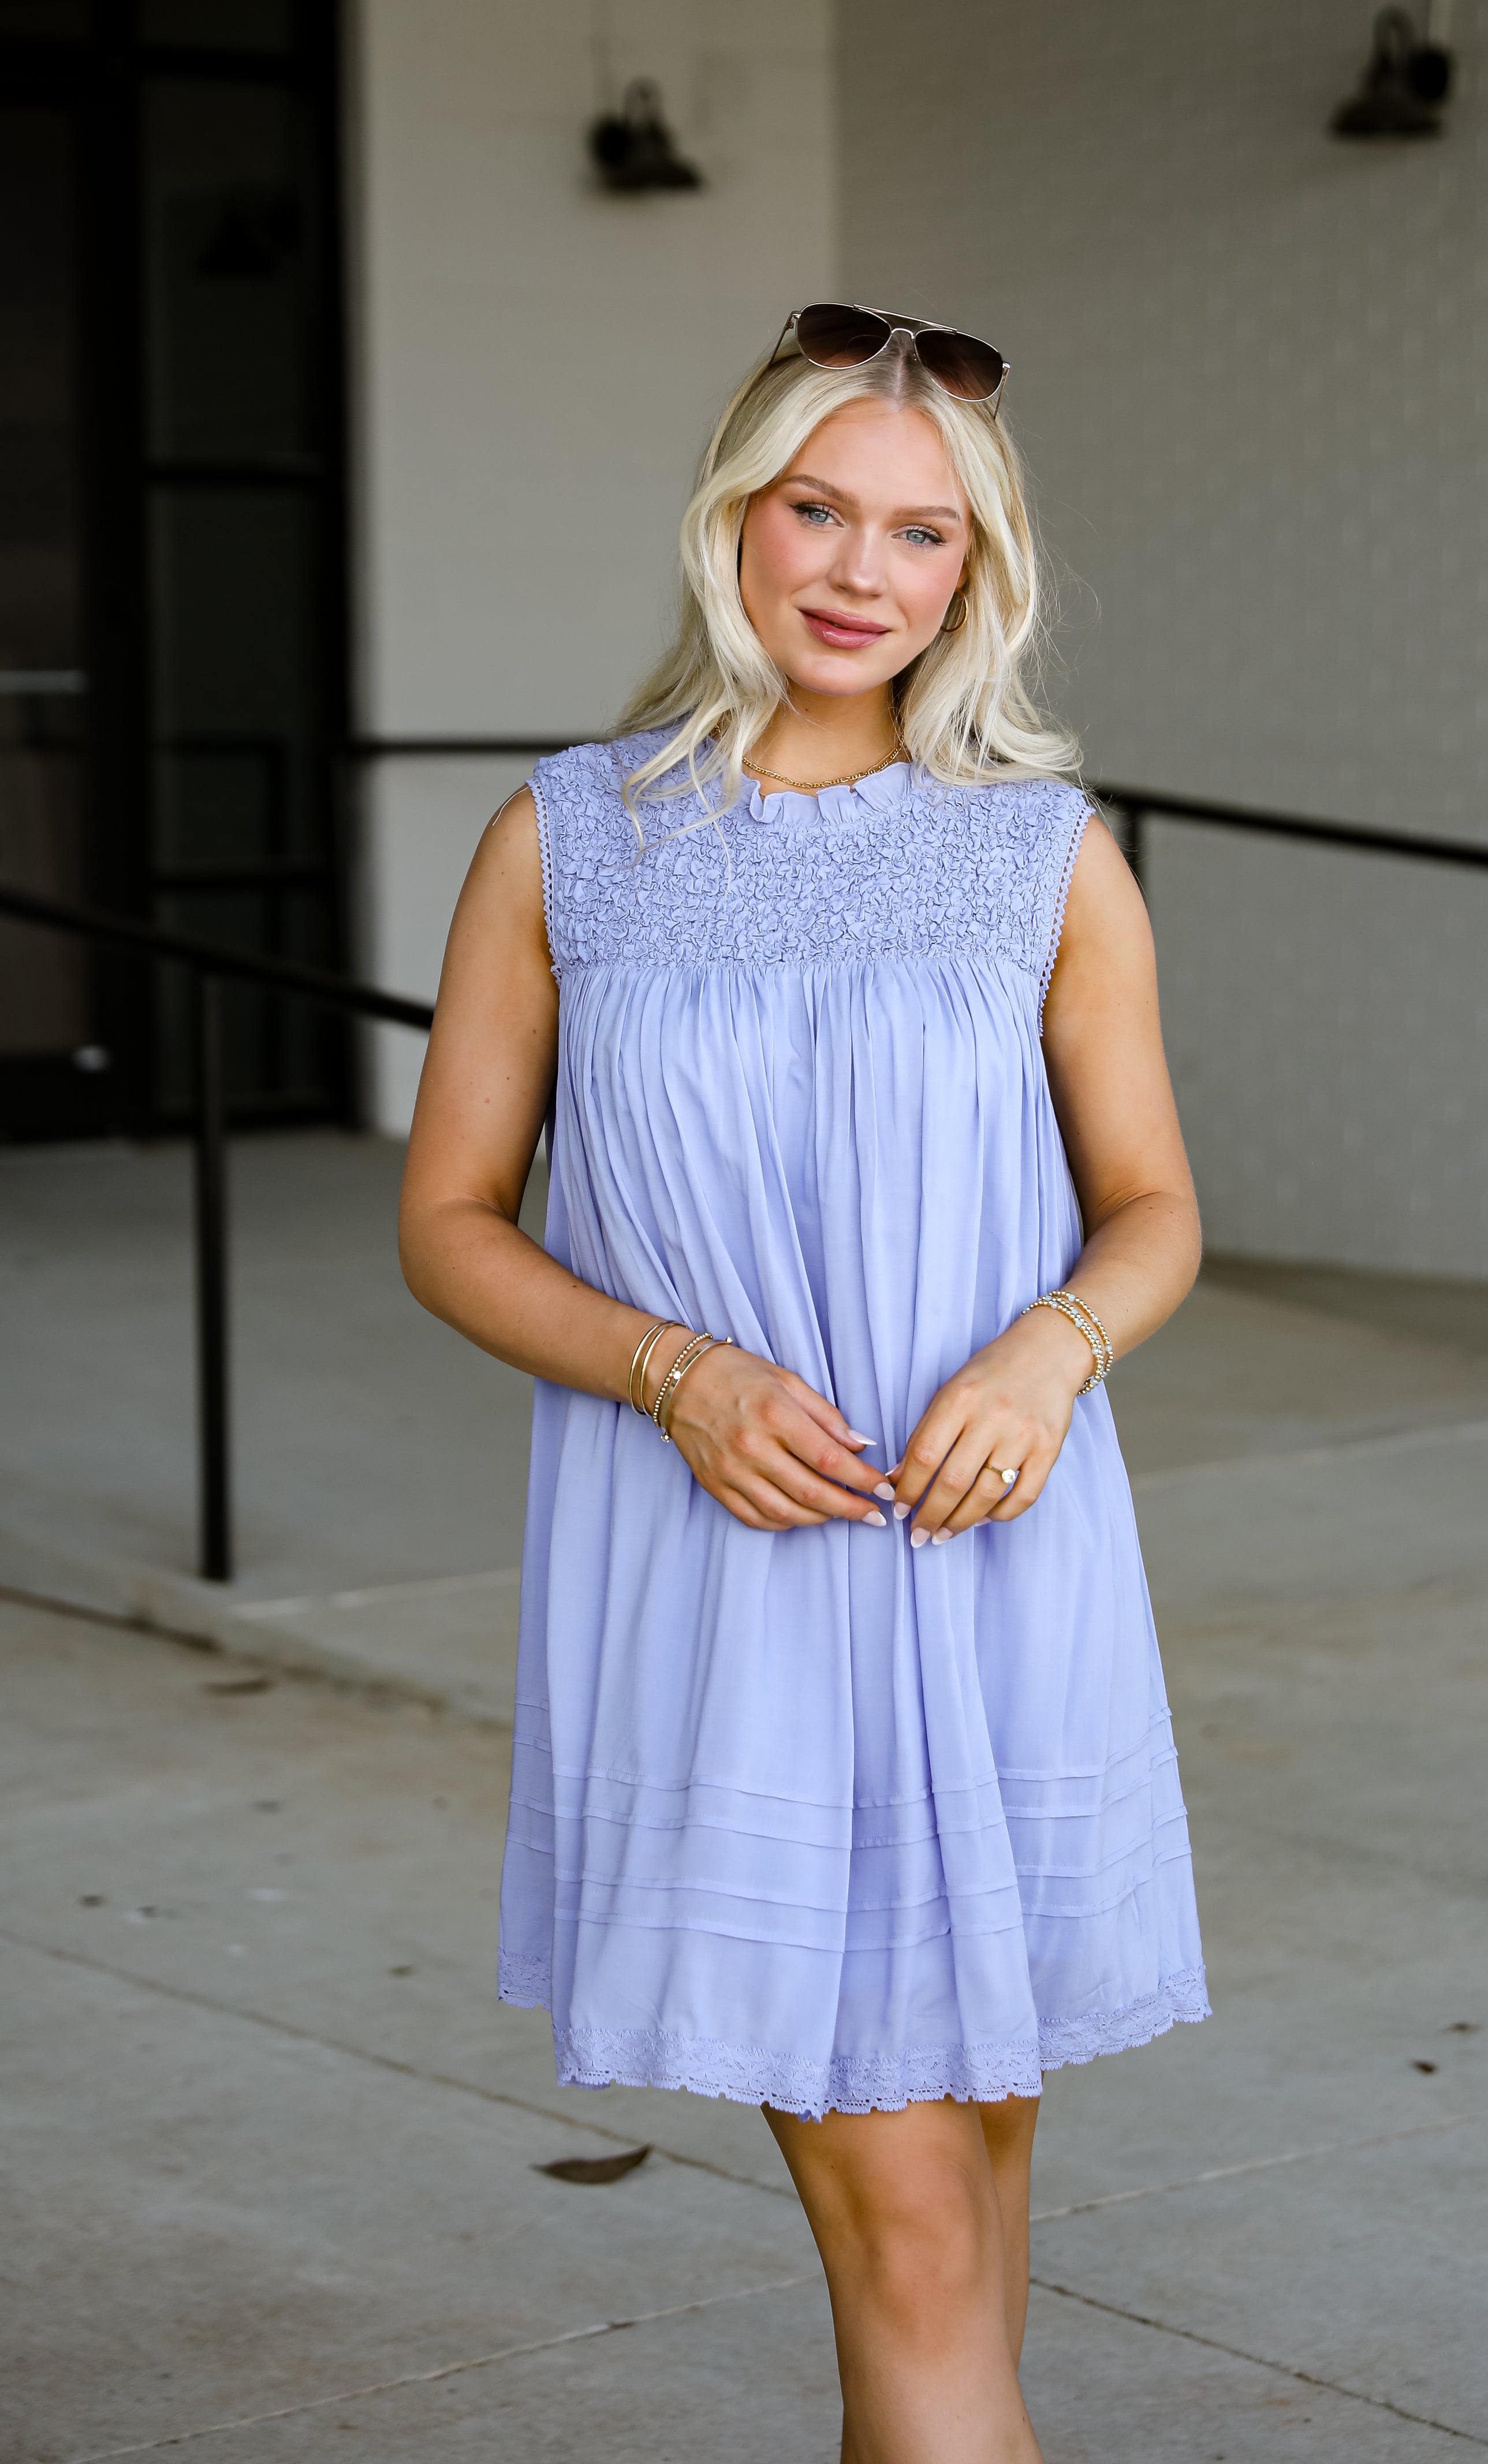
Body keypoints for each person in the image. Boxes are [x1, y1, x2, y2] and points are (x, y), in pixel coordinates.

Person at [400, 303, 1208, 2464]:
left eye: (921, 536)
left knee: (963, 2237)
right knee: (923, 2243)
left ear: (979, 574)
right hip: (730, 1591)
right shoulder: (565, 840)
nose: (860, 570)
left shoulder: (1046, 853)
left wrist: (1050, 1353)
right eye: (817, 509)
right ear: (733, 522)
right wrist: (669, 1372)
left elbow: (1150, 1206)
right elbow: (453, 1219)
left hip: (994, 1571)